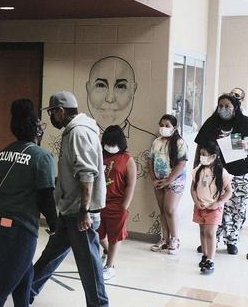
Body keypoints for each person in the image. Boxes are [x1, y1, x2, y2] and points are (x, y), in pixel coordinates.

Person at [30, 91, 109, 307]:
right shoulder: (75, 130)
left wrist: (84, 211)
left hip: (80, 214)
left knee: (89, 267)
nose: (51, 118)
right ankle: (27, 291)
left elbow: (87, 174)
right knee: (51, 255)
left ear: (61, 111)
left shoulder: (78, 133)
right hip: (70, 210)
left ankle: (99, 305)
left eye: (52, 113)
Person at [0, 99, 58, 307]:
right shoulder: (42, 157)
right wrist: (55, 224)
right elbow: (45, 197)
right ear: (36, 130)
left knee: (24, 280)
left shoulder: (4, 153)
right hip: (18, 232)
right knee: (1, 288)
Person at [193, 94, 248, 255]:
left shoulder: (246, 122)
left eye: (227, 106)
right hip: (214, 173)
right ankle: (212, 239)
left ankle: (232, 241)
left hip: (241, 172)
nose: (223, 109)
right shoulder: (212, 123)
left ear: (235, 108)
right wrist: (197, 165)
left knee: (237, 208)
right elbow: (200, 145)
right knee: (215, 206)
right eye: (221, 106)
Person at [98, 125, 137, 280]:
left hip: (117, 205)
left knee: (115, 237)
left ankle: (110, 266)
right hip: (99, 203)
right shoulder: (100, 155)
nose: (111, 145)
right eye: (108, 141)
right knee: (99, 236)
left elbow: (131, 184)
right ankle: (107, 251)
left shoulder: (127, 159)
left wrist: (124, 206)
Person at [147, 114, 188, 255]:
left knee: (169, 209)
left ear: (174, 127)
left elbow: (181, 163)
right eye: (162, 125)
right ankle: (164, 239)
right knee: (163, 210)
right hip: (158, 181)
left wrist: (168, 180)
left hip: (175, 181)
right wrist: (153, 178)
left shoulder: (180, 142)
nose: (163, 128)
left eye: (167, 125)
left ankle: (175, 239)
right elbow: (150, 160)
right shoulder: (157, 141)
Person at [191, 141, 233, 275]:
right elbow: (193, 189)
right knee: (203, 232)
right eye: (200, 154)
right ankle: (205, 254)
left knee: (210, 233)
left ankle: (211, 259)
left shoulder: (221, 172)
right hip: (200, 207)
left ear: (213, 156)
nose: (201, 157)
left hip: (214, 209)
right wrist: (196, 202)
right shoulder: (198, 170)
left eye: (204, 155)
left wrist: (217, 204)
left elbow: (228, 191)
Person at [86, 56, 154, 137]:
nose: (110, 99)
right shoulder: (78, 137)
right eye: (101, 85)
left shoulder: (146, 138)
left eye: (121, 87)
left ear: (133, 90)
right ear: (88, 88)